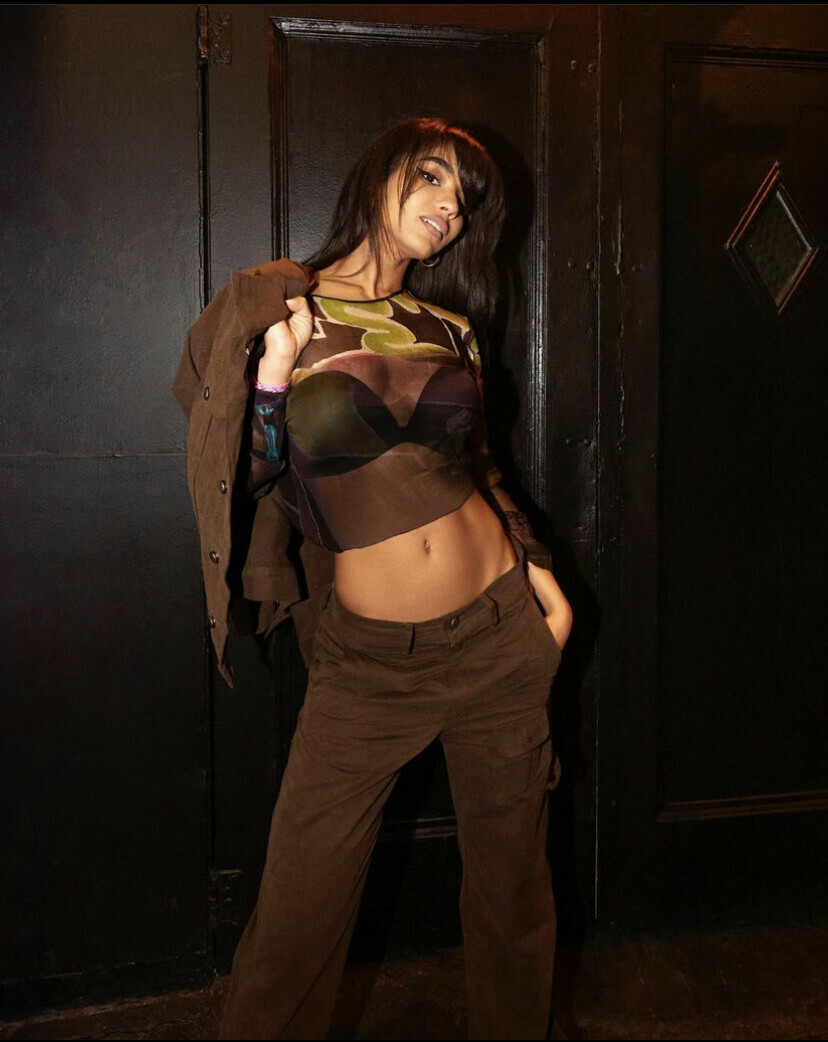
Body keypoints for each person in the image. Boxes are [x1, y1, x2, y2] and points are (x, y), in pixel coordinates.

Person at [216, 116, 573, 1041]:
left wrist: (539, 576)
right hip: (369, 665)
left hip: (499, 634)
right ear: (378, 174)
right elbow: (237, 476)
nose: (451, 207)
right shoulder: (280, 304)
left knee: (513, 897)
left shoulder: (449, 328)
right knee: (296, 918)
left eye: (465, 199)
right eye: (432, 177)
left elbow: (481, 469)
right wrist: (276, 375)